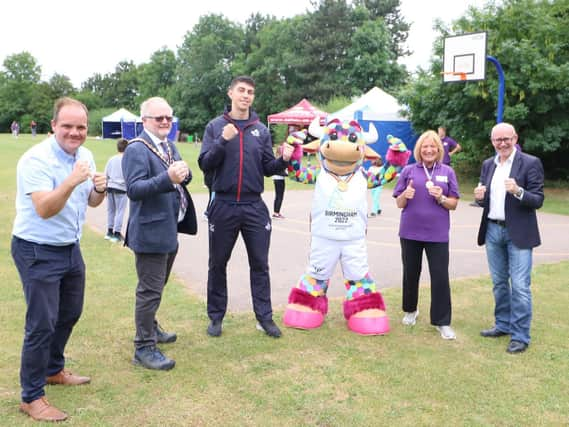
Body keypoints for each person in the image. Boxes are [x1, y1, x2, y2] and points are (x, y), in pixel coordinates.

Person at [11, 97, 107, 422]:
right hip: (36, 248)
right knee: (41, 323)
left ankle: (53, 370)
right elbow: (45, 209)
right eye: (67, 126)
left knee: (69, 312)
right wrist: (70, 180)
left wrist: (100, 190)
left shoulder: (86, 155)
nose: (75, 132)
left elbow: (91, 203)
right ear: (53, 126)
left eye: (81, 127)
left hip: (69, 247)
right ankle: (32, 397)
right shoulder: (35, 159)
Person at [198, 75, 293, 338]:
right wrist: (223, 141)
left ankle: (264, 318)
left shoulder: (260, 130)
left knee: (260, 264)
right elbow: (205, 163)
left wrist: (282, 160)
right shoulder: (215, 127)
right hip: (224, 204)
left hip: (253, 206)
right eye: (241, 90)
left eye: (250, 92)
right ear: (230, 94)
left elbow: (267, 168)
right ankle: (216, 317)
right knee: (217, 263)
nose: (246, 95)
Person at [122, 97, 197, 370]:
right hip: (150, 232)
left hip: (168, 229)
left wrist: (184, 175)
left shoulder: (168, 145)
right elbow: (135, 190)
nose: (165, 122)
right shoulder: (136, 149)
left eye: (168, 117)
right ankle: (144, 347)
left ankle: (151, 327)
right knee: (149, 290)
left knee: (157, 286)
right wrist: (169, 178)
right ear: (145, 121)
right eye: (159, 118)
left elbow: (179, 178)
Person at [474, 122, 544, 354]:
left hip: (519, 232)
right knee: (499, 283)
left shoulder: (530, 163)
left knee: (521, 286)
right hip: (493, 230)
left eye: (506, 139)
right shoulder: (488, 164)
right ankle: (502, 324)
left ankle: (520, 335)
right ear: (492, 141)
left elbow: (538, 199)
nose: (502, 143)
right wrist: (480, 197)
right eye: (497, 140)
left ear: (515, 138)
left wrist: (518, 191)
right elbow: (487, 201)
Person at [393, 130, 460, 340]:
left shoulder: (447, 171)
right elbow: (399, 203)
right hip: (410, 231)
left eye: (433, 147)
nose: (429, 150)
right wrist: (406, 194)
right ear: (419, 150)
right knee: (410, 273)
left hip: (437, 234)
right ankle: (410, 310)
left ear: (439, 150)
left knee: (440, 277)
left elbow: (454, 204)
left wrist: (441, 198)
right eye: (425, 147)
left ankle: (442, 322)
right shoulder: (409, 170)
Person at [104, 138, 128, 242]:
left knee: (111, 210)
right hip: (121, 188)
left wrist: (105, 187)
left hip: (110, 186)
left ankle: (109, 231)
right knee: (120, 211)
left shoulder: (111, 159)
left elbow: (106, 174)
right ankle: (117, 233)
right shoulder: (127, 160)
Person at [271, 144, 287, 219]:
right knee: (279, 196)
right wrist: (287, 174)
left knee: (278, 196)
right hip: (279, 179)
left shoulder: (275, 158)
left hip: (277, 178)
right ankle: (276, 213)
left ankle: (276, 212)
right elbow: (280, 171)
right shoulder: (279, 159)